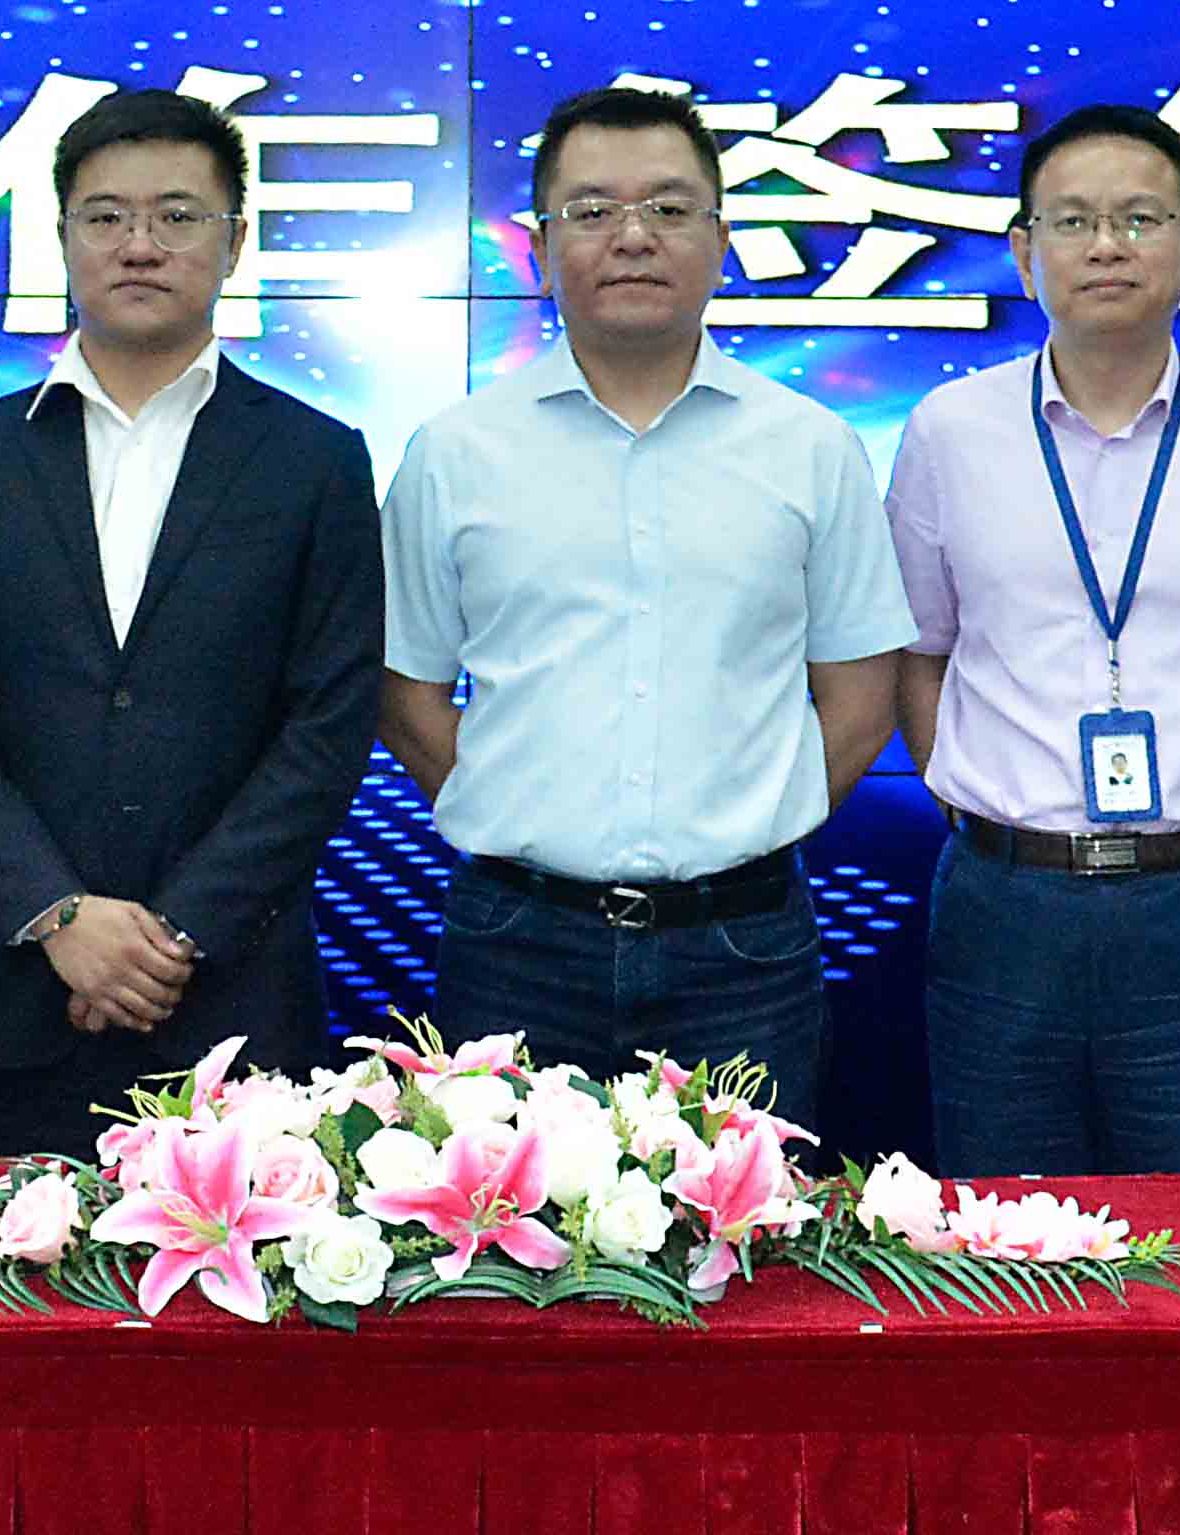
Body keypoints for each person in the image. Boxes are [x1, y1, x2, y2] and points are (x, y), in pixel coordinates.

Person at [377, 84, 909, 1116]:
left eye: (668, 207)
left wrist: (745, 825)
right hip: (515, 943)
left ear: (720, 240)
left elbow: (859, 696)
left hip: (742, 948)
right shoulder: (454, 453)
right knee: (494, 1214)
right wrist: (521, 817)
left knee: (750, 1219)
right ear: (541, 247)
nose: (632, 236)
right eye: (591, 210)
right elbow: (405, 691)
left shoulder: (809, 447)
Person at [0, 89, 381, 1154]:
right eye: (105, 216)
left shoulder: (313, 461)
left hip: (233, 992)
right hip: (25, 987)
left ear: (234, 242)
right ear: (61, 237)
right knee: (18, 1261)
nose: (139, 244)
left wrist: (174, 932)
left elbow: (327, 724)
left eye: (177, 216)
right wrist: (57, 914)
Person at [882, 103, 1180, 1174]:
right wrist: (978, 801)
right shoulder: (948, 431)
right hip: (1002, 900)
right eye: (1073, 221)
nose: (1106, 245)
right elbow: (918, 651)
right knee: (995, 1229)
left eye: (1140, 219)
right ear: (1024, 251)